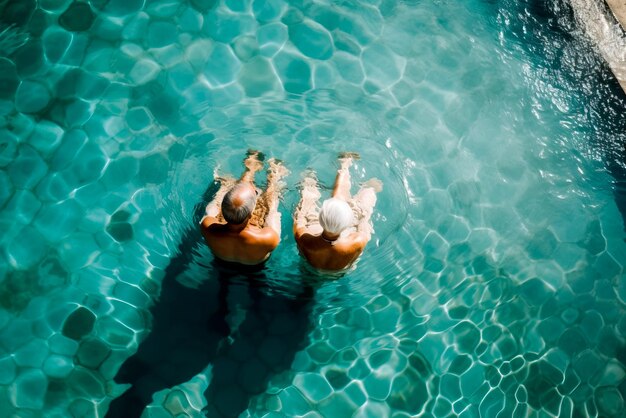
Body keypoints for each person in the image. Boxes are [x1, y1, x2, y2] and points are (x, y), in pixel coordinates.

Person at [293, 152, 382, 272]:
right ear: (347, 224)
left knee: (306, 205)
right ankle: (348, 170)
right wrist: (364, 214)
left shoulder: (305, 241)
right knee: (366, 200)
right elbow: (364, 224)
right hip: (339, 271)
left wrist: (303, 211)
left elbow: (299, 221)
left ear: (320, 219)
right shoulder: (357, 242)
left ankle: (310, 183)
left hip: (313, 262)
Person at [200, 151, 288, 266]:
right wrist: (272, 187)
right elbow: (273, 212)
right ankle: (273, 176)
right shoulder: (268, 238)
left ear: (222, 208)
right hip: (256, 268)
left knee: (234, 196)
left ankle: (249, 170)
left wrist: (223, 190)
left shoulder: (207, 227)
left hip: (221, 261)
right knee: (268, 203)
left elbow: (212, 207)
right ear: (251, 214)